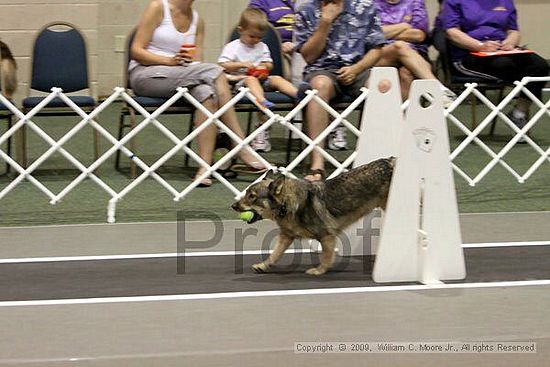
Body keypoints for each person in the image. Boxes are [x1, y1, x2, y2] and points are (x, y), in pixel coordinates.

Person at [129, 0, 266, 187]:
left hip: (182, 76)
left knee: (207, 92)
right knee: (214, 72)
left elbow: (198, 64)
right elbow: (136, 51)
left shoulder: (198, 21)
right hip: (146, 74)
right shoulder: (158, 7)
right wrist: (170, 61)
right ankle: (241, 145)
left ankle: (204, 168)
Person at [295, 0, 386, 181]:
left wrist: (356, 69)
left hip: (358, 68)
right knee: (319, 86)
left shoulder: (365, 7)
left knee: (382, 85)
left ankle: (379, 158)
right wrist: (325, 23)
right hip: (321, 69)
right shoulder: (306, 11)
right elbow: (309, 56)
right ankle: (317, 164)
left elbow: (377, 50)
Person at [441, 0, 549, 133]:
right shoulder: (454, 1)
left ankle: (518, 113)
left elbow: (513, 30)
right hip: (469, 53)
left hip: (501, 50)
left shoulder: (505, 1)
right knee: (505, 65)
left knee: (540, 66)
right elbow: (451, 32)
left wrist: (510, 42)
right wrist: (480, 46)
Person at [218, 7, 297, 152]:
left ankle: (299, 96)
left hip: (261, 78)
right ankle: (262, 102)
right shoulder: (233, 47)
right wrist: (241, 64)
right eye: (252, 36)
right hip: (240, 81)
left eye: (259, 37)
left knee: (277, 79)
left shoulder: (262, 46)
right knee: (251, 80)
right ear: (241, 30)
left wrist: (265, 66)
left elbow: (269, 63)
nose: (256, 40)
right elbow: (223, 65)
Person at [373, 0, 456, 103]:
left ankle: (404, 116)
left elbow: (419, 35)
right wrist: (404, 25)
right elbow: (372, 34)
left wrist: (387, 31)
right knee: (399, 46)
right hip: (379, 53)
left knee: (406, 72)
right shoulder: (370, 4)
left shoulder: (415, 2)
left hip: (415, 53)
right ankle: (437, 89)